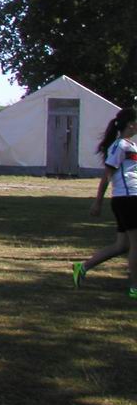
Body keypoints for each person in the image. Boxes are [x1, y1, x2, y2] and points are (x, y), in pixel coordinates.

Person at [73, 107, 137, 300]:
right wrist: (97, 202)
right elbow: (107, 175)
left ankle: (83, 267)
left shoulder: (130, 145)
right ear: (130, 124)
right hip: (128, 199)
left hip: (129, 198)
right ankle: (134, 287)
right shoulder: (120, 146)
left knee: (122, 246)